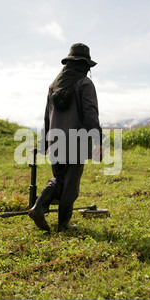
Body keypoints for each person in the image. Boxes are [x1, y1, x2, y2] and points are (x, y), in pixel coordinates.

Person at [28, 43, 103, 232]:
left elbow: (47, 116)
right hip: (76, 141)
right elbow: (90, 115)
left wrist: (46, 141)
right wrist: (99, 141)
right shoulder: (85, 84)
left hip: (55, 139)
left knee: (59, 180)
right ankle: (63, 224)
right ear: (85, 65)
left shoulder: (54, 86)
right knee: (70, 185)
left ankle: (38, 207)